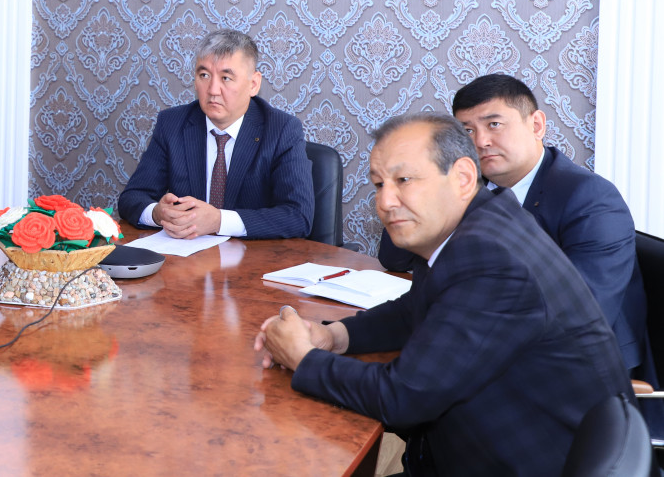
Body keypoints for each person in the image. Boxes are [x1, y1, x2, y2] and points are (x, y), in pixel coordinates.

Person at [254, 113, 631, 477]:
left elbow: (402, 397)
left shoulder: (490, 259)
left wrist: (303, 358)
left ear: (463, 178)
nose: (385, 201)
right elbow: (416, 308)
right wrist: (335, 336)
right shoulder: (481, 224)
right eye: (379, 184)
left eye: (404, 180)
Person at [376, 73, 649, 378]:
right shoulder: (469, 190)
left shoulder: (589, 198)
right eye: (467, 130)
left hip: (578, 374)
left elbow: (581, 314)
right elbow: (395, 259)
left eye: (494, 124)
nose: (480, 141)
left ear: (536, 125)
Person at [117, 29, 313, 239]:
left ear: (253, 84)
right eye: (204, 75)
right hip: (187, 255)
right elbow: (132, 197)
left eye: (226, 78)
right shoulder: (172, 124)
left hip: (252, 256)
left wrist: (219, 221)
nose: (212, 90)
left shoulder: (281, 130)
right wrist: (157, 213)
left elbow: (298, 216)